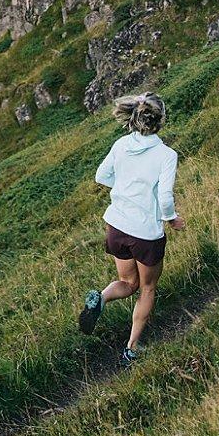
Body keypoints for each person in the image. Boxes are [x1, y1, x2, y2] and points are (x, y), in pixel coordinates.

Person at [77, 92, 182, 364]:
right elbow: (166, 198)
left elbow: (101, 175)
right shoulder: (166, 155)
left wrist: (126, 190)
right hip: (145, 234)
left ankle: (100, 299)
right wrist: (172, 218)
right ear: (160, 120)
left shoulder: (121, 144)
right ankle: (131, 349)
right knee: (147, 289)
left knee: (127, 282)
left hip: (117, 226)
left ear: (135, 116)